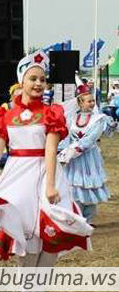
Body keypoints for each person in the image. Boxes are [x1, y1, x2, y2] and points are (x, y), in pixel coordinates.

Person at [0, 51, 93, 292]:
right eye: (33, 78)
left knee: (53, 232)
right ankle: (25, 290)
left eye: (42, 79)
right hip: (18, 175)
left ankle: (38, 287)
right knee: (25, 235)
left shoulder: (51, 113)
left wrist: (50, 184)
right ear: (21, 82)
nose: (38, 83)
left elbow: (50, 148)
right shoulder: (2, 115)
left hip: (47, 173)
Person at [58, 84, 112, 225]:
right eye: (89, 101)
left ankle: (88, 218)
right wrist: (62, 151)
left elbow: (90, 138)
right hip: (74, 159)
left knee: (89, 185)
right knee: (74, 185)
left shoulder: (98, 119)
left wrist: (75, 150)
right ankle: (77, 216)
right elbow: (67, 137)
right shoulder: (71, 118)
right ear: (80, 102)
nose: (92, 103)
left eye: (93, 101)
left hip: (88, 157)